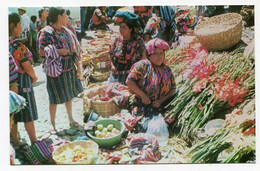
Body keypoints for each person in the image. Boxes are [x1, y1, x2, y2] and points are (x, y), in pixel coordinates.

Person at [37, 7, 84, 133]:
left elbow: (75, 51)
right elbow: (41, 52)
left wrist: (78, 68)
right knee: (54, 97)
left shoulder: (67, 32)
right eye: (65, 15)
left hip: (68, 68)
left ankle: (70, 118)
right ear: (59, 16)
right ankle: (52, 124)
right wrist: (59, 51)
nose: (67, 17)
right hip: (54, 70)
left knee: (68, 95)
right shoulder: (46, 33)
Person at [126, 38, 176, 121]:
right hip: (141, 105)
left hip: (161, 105)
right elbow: (129, 81)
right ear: (149, 54)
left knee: (168, 121)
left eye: (161, 53)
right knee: (143, 123)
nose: (160, 57)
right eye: (156, 54)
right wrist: (143, 95)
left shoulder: (167, 69)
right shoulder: (143, 65)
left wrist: (160, 101)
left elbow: (173, 89)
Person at [9, 12, 38, 147]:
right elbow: (26, 64)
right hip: (22, 81)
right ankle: (34, 141)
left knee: (13, 112)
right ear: (13, 26)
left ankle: (15, 141)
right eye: (19, 24)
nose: (21, 27)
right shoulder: (17, 45)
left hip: (10, 83)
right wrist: (34, 76)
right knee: (28, 111)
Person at [108, 10, 146, 84]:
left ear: (130, 29)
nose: (121, 30)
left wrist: (136, 71)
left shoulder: (138, 41)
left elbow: (143, 57)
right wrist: (112, 65)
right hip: (117, 73)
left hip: (133, 75)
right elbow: (110, 53)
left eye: (124, 27)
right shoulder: (117, 40)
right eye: (120, 27)